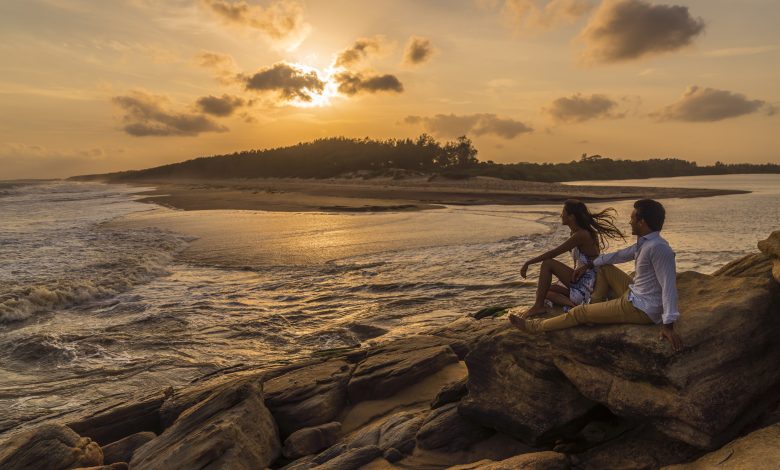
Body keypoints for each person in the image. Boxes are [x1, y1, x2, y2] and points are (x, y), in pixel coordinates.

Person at [510, 199, 684, 353]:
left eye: (633, 218)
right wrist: (589, 264)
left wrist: (668, 326)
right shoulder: (645, 243)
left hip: (641, 308)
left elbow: (669, 287)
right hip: (636, 294)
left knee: (580, 313)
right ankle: (595, 305)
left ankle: (533, 327)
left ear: (642, 222)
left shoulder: (659, 249)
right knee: (604, 267)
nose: (629, 221)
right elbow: (620, 255)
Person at [518, 199, 625, 318]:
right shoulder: (576, 233)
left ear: (571, 217)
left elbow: (554, 253)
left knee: (548, 264)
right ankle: (571, 303)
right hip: (582, 278)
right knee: (542, 291)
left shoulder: (581, 234)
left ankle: (538, 307)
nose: (560, 215)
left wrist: (528, 262)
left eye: (563, 212)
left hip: (588, 282)